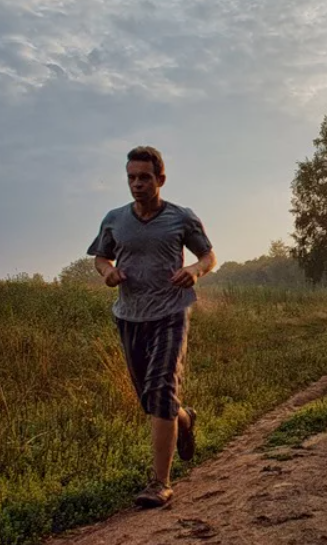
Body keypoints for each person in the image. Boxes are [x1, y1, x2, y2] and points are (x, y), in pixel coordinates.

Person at [88, 146, 216, 507]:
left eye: (145, 177)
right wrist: (108, 272)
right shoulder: (115, 219)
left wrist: (194, 270)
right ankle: (185, 420)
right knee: (151, 398)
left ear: (160, 179)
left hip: (170, 313)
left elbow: (208, 255)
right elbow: (101, 256)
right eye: (131, 177)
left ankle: (160, 483)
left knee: (161, 390)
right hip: (129, 315)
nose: (137, 184)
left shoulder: (181, 218)